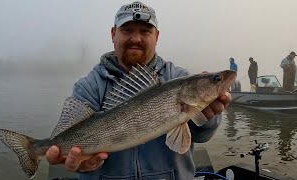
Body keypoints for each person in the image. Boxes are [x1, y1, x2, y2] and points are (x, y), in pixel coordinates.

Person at [45, 1, 232, 180]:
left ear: (156, 36)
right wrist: (86, 165)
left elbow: (202, 135)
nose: (136, 38)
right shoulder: (89, 86)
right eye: (127, 30)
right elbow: (77, 153)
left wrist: (210, 117)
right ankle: (34, 148)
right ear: (113, 34)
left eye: (145, 31)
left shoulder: (178, 77)